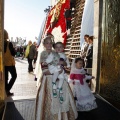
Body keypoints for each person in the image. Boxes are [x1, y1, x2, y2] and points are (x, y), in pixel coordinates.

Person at [35, 36, 78, 120]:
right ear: (44, 44)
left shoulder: (56, 52)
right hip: (49, 79)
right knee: (51, 99)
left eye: (50, 43)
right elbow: (44, 70)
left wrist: (63, 64)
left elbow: (65, 63)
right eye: (47, 43)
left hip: (60, 77)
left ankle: (63, 117)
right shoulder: (43, 54)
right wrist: (56, 72)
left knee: (63, 97)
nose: (49, 44)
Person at [4, 29, 17, 96]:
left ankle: (7, 91)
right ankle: (7, 90)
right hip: (10, 63)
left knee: (5, 78)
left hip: (3, 63)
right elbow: (13, 53)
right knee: (14, 76)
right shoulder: (9, 43)